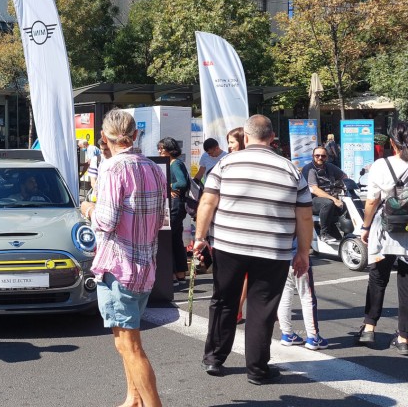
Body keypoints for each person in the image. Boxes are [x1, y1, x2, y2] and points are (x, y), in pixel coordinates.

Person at [193, 115, 312, 385]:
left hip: (229, 246)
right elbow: (304, 217)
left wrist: (199, 238)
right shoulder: (291, 170)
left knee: (223, 300)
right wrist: (303, 253)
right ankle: (257, 370)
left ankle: (214, 358)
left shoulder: (225, 163)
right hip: (274, 251)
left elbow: (207, 202)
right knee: (262, 309)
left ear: (246, 138)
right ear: (272, 138)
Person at [79, 108, 167, 407]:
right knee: (125, 342)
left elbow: (105, 220)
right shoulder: (154, 168)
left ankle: (150, 404)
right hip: (145, 264)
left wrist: (88, 209)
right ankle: (134, 398)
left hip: (119, 265)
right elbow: (160, 218)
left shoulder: (112, 169)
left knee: (130, 345)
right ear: (136, 135)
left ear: (105, 137)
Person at [356, 121, 408, 355]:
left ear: (391, 143)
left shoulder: (381, 165)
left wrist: (365, 227)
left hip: (383, 228)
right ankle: (404, 337)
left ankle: (369, 328)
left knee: (377, 279)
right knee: (406, 285)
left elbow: (371, 201)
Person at [276, 238, 328, 350]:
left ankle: (287, 333)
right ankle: (313, 337)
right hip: (298, 255)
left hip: (280, 257)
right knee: (307, 297)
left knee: (284, 295)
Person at [158, 137, 189, 286]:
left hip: (175, 205)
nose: (159, 151)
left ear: (169, 149)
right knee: (176, 240)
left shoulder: (175, 163)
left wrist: (169, 185)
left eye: (162, 148)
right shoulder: (175, 163)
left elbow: (183, 182)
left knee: (167, 239)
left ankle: (172, 276)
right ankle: (181, 274)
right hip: (179, 205)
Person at [301, 146, 347, 243]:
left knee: (348, 205)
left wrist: (345, 184)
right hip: (311, 200)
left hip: (329, 198)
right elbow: (315, 190)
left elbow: (344, 176)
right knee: (328, 203)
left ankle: (347, 235)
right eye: (317, 155)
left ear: (326, 157)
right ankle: (324, 234)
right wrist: (334, 199)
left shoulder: (330, 166)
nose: (320, 158)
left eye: (323, 156)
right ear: (313, 156)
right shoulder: (309, 169)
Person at [226, 127, 249, 325]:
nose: (229, 146)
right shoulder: (229, 161)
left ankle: (238, 310)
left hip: (244, 225)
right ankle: (238, 310)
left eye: (232, 142)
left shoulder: (235, 162)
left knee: (246, 275)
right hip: (236, 226)